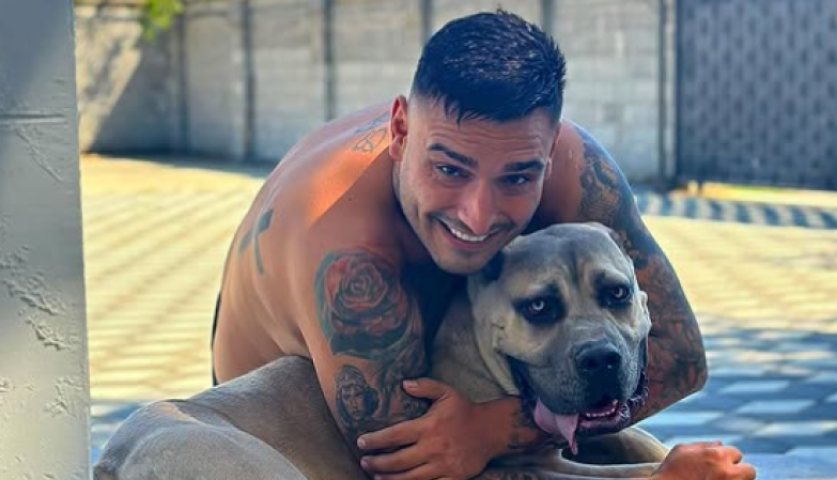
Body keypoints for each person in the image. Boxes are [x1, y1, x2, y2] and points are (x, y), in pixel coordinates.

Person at [211, 8, 752, 480]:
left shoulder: (574, 170)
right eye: (450, 169)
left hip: (460, 382)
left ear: (550, 149)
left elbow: (681, 358)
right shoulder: (350, 251)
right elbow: (418, 466)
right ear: (400, 130)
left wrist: (494, 427)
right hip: (284, 432)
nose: (478, 215)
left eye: (516, 178)